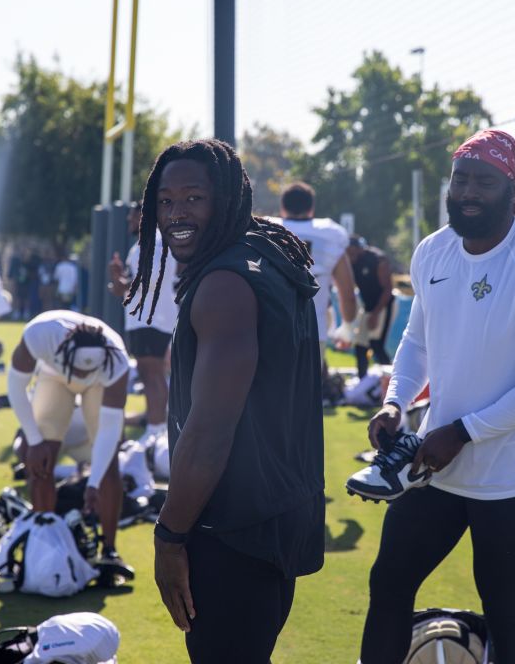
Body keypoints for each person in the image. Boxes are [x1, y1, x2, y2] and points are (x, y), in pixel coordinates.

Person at [354, 130, 515, 664]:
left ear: (513, 189)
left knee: (503, 607)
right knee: (388, 585)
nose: (469, 192)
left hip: (509, 473)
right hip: (437, 464)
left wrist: (464, 431)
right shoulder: (433, 250)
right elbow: (417, 341)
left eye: (484, 181)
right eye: (461, 179)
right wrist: (395, 400)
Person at [126, 139, 324, 663]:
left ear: (227, 198)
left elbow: (210, 432)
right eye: (164, 201)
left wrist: (169, 536)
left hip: (236, 524)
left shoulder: (222, 286)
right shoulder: (267, 251)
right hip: (281, 507)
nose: (175, 214)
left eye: (193, 197)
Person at [6, 310, 132, 572]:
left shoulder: (117, 361)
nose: (81, 375)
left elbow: (109, 432)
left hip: (101, 384)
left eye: (87, 371)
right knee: (42, 460)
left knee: (109, 466)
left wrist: (94, 483)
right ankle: (42, 546)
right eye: (77, 369)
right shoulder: (39, 334)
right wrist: (34, 441)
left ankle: (109, 550)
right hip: (53, 376)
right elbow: (16, 388)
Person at [108, 200, 179, 446]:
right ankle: (158, 427)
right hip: (146, 316)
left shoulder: (155, 242)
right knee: (153, 374)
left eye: (133, 216)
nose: (129, 220)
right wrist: (119, 280)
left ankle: (157, 429)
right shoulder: (143, 245)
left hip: (151, 316)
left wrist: (123, 282)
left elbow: (148, 281)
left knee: (152, 375)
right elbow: (132, 285)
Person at [270, 182, 358, 351]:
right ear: (311, 208)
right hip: (313, 331)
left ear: (282, 207)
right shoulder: (331, 234)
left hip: (270, 329)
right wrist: (347, 328)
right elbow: (347, 294)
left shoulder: (266, 230)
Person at [345, 236, 396, 378]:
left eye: (352, 251)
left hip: (383, 305)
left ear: (360, 249)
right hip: (368, 307)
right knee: (360, 346)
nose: (350, 255)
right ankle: (363, 382)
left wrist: (375, 314)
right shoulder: (349, 261)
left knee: (376, 346)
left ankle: (390, 384)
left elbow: (387, 290)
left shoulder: (377, 260)